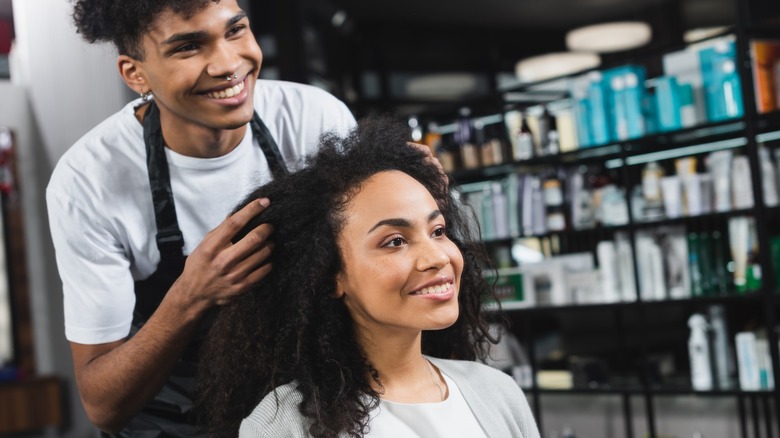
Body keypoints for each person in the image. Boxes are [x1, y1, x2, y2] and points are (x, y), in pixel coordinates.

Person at [45, 0, 356, 436]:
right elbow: (103, 404)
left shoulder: (314, 120)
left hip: (298, 413)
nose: (229, 64)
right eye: (189, 47)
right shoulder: (89, 181)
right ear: (136, 73)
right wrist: (190, 297)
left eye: (235, 31)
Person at [196, 117, 541, 438]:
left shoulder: (497, 392)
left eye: (438, 230)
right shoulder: (284, 423)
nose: (438, 257)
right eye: (395, 241)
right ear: (330, 276)